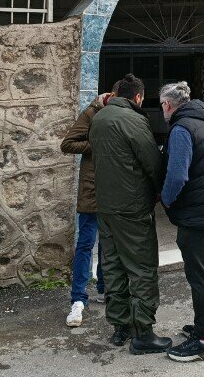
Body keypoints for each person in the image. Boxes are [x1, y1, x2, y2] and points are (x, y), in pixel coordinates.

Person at [88, 74, 170, 354]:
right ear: (137, 97)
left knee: (113, 267)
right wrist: (162, 192)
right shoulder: (134, 120)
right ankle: (144, 333)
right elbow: (152, 160)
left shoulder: (99, 118)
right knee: (142, 267)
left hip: (106, 205)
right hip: (132, 207)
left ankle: (120, 327)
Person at [158, 82, 204, 363]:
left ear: (167, 104)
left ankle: (202, 342)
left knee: (199, 276)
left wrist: (166, 200)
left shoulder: (180, 130)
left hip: (197, 215)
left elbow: (177, 176)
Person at [60, 90, 112, 327]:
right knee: (86, 244)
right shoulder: (91, 112)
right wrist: (96, 145)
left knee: (108, 243)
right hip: (91, 189)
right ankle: (78, 299)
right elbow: (68, 144)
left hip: (113, 190)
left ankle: (103, 288)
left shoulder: (123, 113)